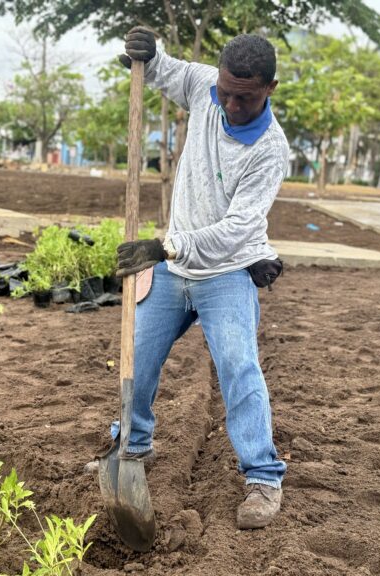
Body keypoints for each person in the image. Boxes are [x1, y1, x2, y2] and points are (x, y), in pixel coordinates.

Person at [94, 27, 289, 530]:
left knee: (239, 369)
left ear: (269, 88)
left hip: (224, 272)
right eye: (224, 91)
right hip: (172, 269)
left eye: (243, 97)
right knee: (137, 357)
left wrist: (164, 246)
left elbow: (237, 230)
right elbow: (168, 72)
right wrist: (148, 53)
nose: (229, 104)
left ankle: (263, 477)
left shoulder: (269, 148)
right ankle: (132, 446)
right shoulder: (208, 89)